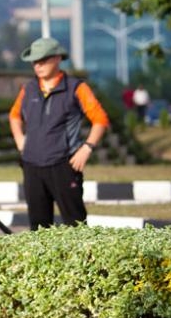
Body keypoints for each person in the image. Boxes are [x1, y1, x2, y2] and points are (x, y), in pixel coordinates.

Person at [9, 37, 109, 230]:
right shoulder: (28, 89)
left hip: (63, 165)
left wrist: (87, 148)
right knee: (38, 230)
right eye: (34, 62)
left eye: (42, 60)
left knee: (75, 226)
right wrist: (20, 140)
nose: (37, 66)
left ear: (57, 58)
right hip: (32, 167)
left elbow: (100, 120)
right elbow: (14, 116)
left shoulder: (76, 88)